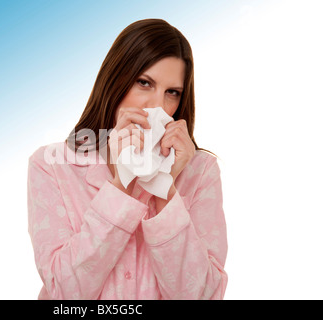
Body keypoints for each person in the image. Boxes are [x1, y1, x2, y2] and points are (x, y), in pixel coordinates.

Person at [27, 18, 228, 300]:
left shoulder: (201, 171)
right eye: (144, 83)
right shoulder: (51, 166)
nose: (158, 106)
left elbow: (202, 295)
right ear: (116, 80)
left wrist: (165, 188)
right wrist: (121, 182)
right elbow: (64, 292)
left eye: (172, 92)